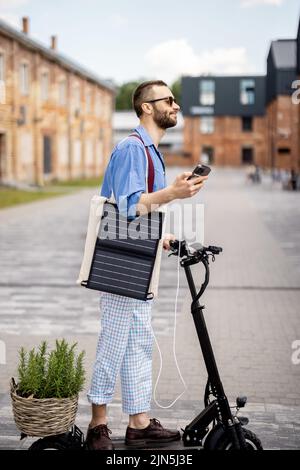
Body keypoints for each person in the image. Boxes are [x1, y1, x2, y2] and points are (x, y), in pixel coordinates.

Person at [85, 80, 208, 450]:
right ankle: (97, 424)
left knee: (137, 342)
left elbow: (142, 206)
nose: (175, 104)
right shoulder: (131, 148)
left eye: (175, 99)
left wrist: (163, 237)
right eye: (168, 100)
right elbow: (126, 208)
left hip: (139, 259)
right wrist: (173, 192)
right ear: (146, 108)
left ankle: (138, 422)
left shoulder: (152, 152)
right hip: (121, 264)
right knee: (115, 340)